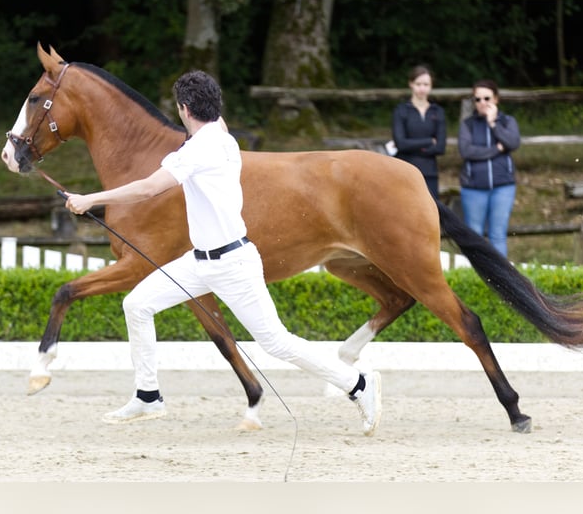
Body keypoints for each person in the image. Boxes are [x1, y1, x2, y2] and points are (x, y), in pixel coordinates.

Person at [64, 70, 382, 434]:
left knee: (277, 343)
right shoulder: (223, 138)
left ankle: (358, 384)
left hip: (232, 265)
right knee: (137, 304)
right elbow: (214, 122)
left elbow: (150, 188)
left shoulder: (197, 150)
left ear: (184, 110)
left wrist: (91, 199)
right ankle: (148, 394)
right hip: (198, 263)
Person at [458, 79, 520, 258]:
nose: (482, 103)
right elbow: (466, 151)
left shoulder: (507, 121)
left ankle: (500, 280)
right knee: (474, 235)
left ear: (496, 99)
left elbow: (513, 142)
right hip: (473, 188)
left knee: (498, 235)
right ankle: (476, 277)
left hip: (503, 186)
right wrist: (497, 149)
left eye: (487, 98)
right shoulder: (468, 124)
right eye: (477, 99)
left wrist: (493, 124)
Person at [390, 65, 446, 198]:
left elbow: (440, 147)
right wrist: (429, 141)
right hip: (405, 171)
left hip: (429, 172)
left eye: (426, 84)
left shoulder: (437, 111)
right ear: (411, 84)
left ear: (431, 86)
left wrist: (412, 146)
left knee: (431, 214)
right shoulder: (401, 111)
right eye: (418, 84)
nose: (422, 88)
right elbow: (400, 144)